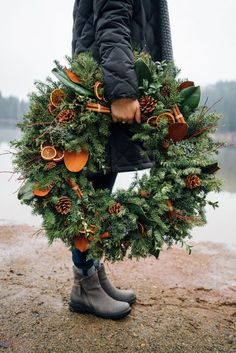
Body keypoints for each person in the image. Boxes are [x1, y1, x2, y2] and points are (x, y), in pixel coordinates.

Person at [69, 0, 173, 319]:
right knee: (94, 188)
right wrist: (122, 90)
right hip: (107, 83)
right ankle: (84, 286)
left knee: (102, 184)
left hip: (114, 75)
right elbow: (112, 18)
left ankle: (94, 276)